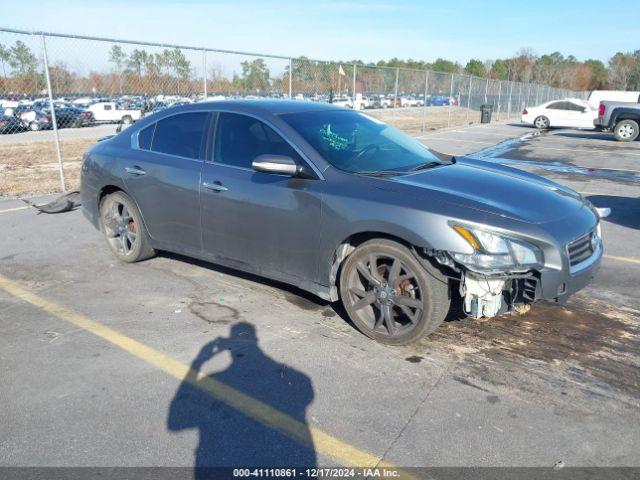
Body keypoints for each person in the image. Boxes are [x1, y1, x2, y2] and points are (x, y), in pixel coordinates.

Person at [168, 322, 316, 476]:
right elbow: (307, 397)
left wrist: (198, 362)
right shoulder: (299, 379)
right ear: (255, 339)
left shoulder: (214, 381)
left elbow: (175, 422)